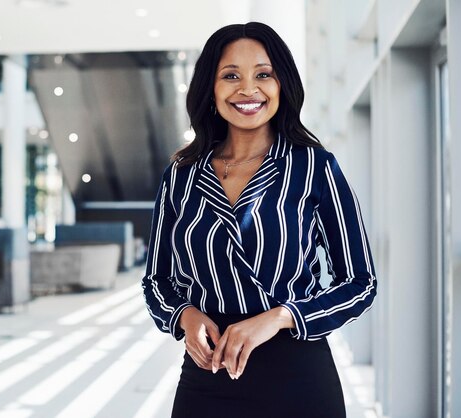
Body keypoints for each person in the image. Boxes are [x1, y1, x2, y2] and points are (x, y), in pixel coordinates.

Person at [141, 22, 377, 418]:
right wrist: (184, 315)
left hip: (298, 377)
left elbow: (360, 283)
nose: (248, 89)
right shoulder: (180, 176)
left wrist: (280, 317)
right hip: (207, 377)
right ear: (210, 89)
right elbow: (156, 280)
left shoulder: (314, 167)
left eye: (263, 74)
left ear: (281, 84)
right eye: (231, 75)